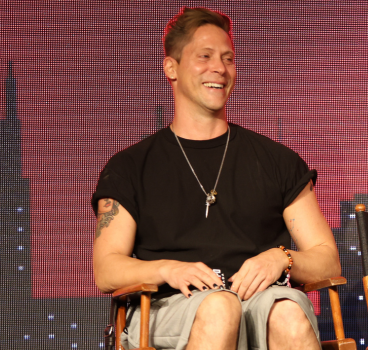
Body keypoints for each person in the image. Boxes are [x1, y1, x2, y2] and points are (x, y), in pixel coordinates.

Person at [91, 7, 341, 350]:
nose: (219, 69)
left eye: (227, 58)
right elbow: (106, 269)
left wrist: (282, 257)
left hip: (257, 299)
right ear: (171, 68)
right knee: (220, 308)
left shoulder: (278, 161)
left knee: (288, 314)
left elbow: (326, 258)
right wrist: (167, 269)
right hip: (168, 305)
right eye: (204, 56)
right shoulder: (130, 166)